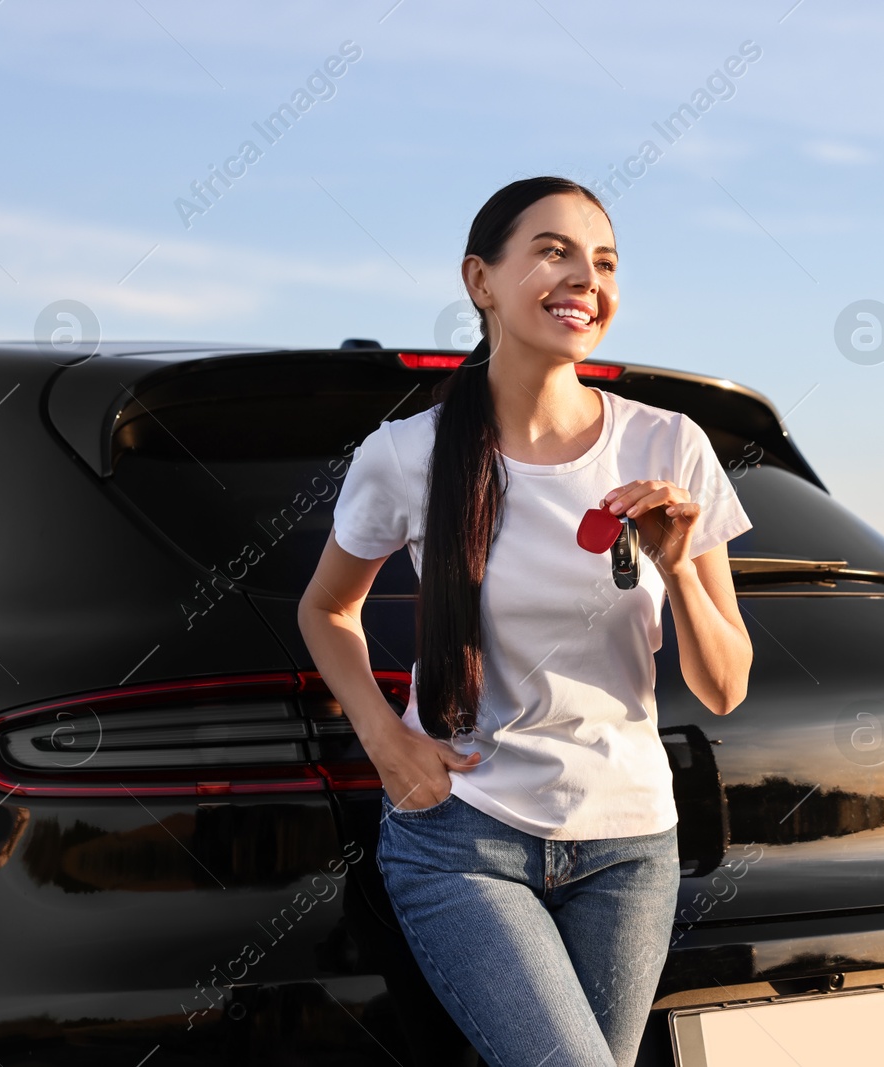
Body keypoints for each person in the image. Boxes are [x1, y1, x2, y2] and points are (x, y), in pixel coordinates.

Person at [297, 175, 754, 1066]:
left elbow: (725, 684)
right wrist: (386, 739)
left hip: (630, 847)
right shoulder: (409, 455)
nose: (585, 277)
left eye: (604, 261)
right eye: (553, 251)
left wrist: (678, 570)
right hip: (463, 837)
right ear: (481, 281)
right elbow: (326, 608)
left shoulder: (670, 446)